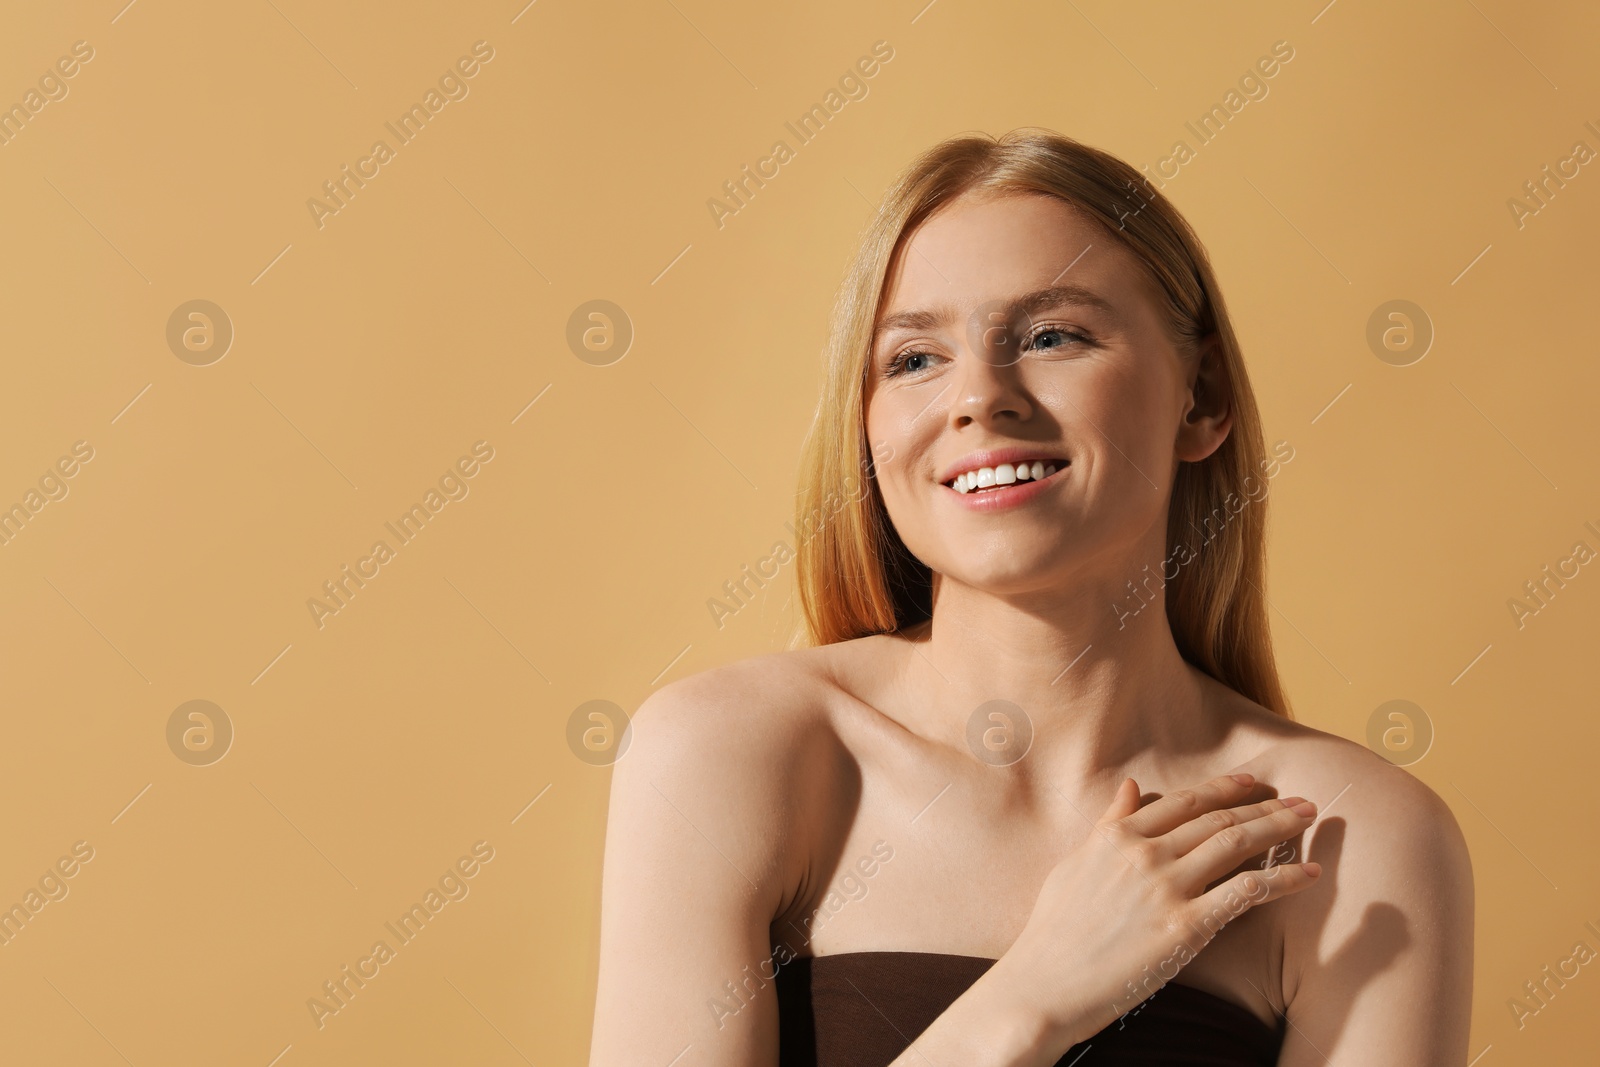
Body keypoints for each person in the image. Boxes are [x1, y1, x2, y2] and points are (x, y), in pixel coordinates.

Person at [587, 128, 1473, 1066]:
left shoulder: (1353, 842)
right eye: (914, 359)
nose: (979, 396)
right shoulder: (732, 754)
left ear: (1201, 396)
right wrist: (1032, 1000)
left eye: (1053, 336)